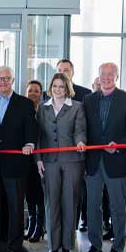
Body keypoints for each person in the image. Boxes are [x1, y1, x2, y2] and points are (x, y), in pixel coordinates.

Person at [81, 63, 126, 252]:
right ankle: (95, 246)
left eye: (110, 74)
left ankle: (117, 249)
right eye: (103, 74)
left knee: (117, 207)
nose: (106, 78)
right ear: (98, 76)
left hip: (117, 160)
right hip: (93, 162)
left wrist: (120, 145)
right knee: (92, 206)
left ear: (116, 76)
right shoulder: (88, 100)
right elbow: (84, 129)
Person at [0, 67, 39, 252]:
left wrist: (29, 143)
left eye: (6, 79)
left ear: (12, 80)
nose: (2, 82)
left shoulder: (25, 103)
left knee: (15, 206)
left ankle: (15, 245)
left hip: (15, 163)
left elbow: (31, 127)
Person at [36, 73, 86, 252]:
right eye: (55, 86)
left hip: (72, 161)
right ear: (50, 88)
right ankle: (53, 246)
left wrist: (81, 142)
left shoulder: (77, 107)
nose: (58, 90)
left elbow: (80, 130)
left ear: (67, 88)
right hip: (49, 161)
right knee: (51, 203)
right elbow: (38, 135)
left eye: (61, 86)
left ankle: (67, 246)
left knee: (70, 203)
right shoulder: (42, 108)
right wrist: (38, 159)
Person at [55, 59, 92, 232]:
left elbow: (88, 126)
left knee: (74, 196)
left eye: (67, 70)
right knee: (55, 198)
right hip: (54, 157)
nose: (63, 72)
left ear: (73, 72)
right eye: (60, 70)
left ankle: (72, 231)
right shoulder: (50, 93)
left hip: (76, 155)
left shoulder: (85, 94)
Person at [24, 80, 46, 242]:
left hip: (41, 158)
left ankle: (39, 227)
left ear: (41, 93)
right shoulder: (22, 108)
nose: (33, 93)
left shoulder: (44, 109)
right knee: (29, 194)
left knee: (39, 194)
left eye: (36, 91)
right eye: (30, 90)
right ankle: (30, 224)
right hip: (26, 159)